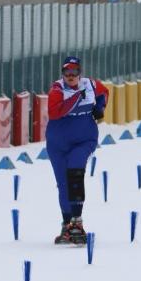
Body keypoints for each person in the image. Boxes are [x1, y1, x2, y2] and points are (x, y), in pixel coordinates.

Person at [47, 56, 109, 245]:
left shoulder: (90, 84)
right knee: (63, 183)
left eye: (74, 72)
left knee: (75, 172)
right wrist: (77, 96)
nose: (71, 76)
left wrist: (100, 108)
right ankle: (67, 224)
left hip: (83, 140)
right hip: (58, 144)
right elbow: (55, 112)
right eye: (67, 73)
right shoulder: (57, 89)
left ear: (79, 73)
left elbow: (104, 92)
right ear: (63, 74)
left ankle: (77, 222)